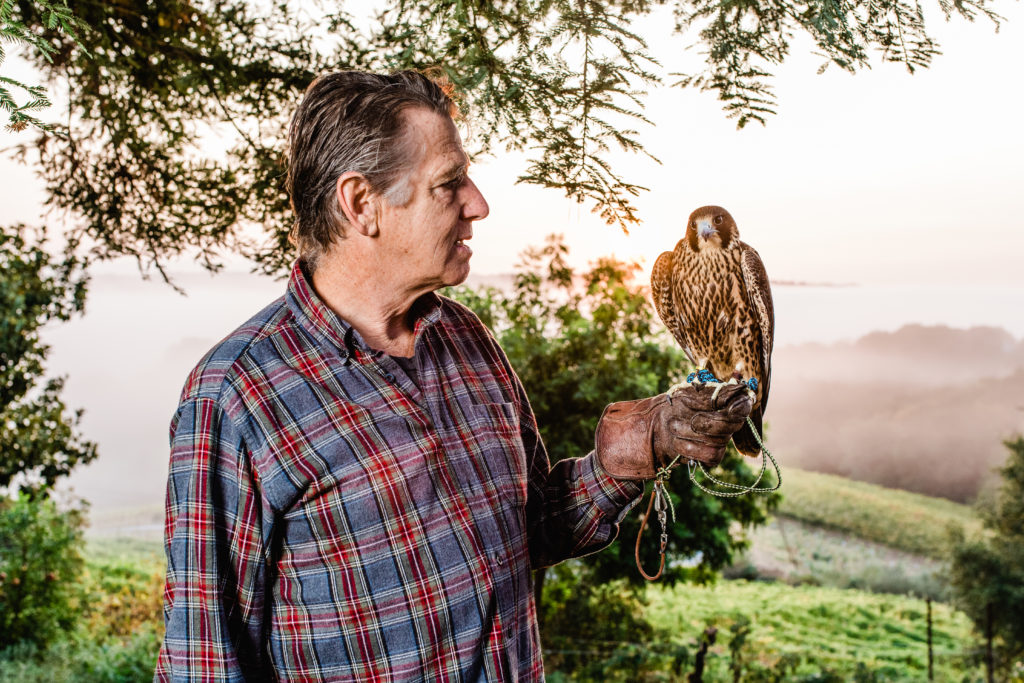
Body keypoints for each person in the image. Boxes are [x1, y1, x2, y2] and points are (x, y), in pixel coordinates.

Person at [155, 70, 753, 682]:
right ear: (362, 204)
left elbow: (524, 532)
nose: (479, 204)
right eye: (449, 183)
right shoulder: (237, 399)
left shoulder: (467, 340)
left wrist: (625, 459)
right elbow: (202, 661)